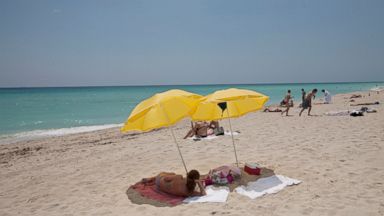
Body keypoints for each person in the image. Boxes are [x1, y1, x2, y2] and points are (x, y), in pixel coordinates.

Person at [141, 170, 206, 197]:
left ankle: (151, 178)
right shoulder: (189, 192)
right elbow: (203, 194)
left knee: (172, 173)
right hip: (161, 187)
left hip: (159, 181)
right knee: (171, 175)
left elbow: (166, 179)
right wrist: (199, 183)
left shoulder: (179, 177)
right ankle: (152, 179)